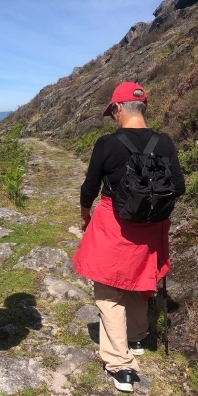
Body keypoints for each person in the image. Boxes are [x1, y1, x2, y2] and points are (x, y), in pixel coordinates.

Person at [72, 82, 185, 393]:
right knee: (138, 282)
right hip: (151, 228)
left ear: (118, 109)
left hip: (114, 225)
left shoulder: (106, 144)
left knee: (108, 292)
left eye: (112, 112)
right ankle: (136, 336)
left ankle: (121, 366)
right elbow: (179, 187)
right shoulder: (165, 142)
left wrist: (85, 215)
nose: (112, 117)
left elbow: (89, 188)